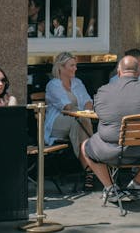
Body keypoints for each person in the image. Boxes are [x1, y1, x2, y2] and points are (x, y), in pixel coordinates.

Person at [80, 56, 140, 204]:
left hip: (111, 152)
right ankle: (136, 185)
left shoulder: (103, 91)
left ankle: (110, 187)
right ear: (138, 72)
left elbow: (99, 115)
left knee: (86, 145)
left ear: (118, 72)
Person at [44, 52, 95, 189]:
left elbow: (88, 101)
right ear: (61, 67)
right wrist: (83, 113)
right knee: (79, 121)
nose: (75, 68)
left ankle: (89, 169)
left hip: (79, 121)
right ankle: (92, 162)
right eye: (72, 65)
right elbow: (66, 106)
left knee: (80, 122)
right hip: (57, 123)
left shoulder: (78, 82)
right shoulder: (53, 85)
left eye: (75, 65)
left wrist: (87, 109)